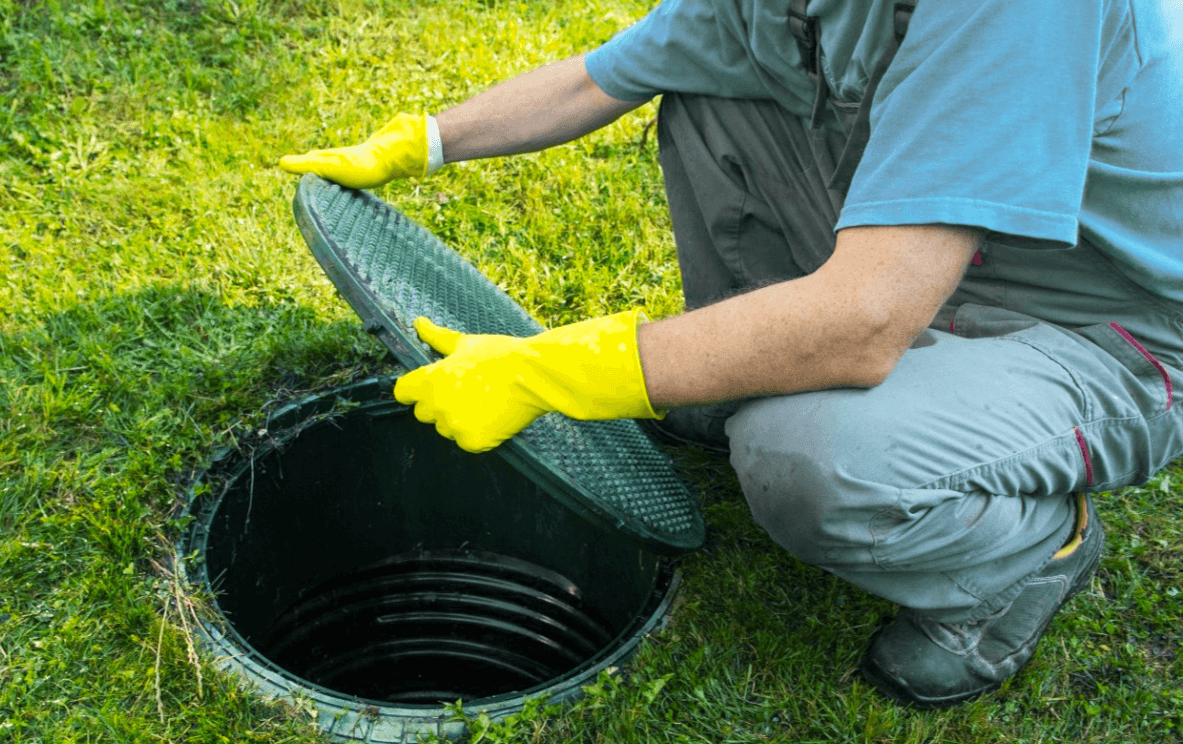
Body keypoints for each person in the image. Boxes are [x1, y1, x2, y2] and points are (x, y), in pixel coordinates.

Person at [279, 0, 1183, 707]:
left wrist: (555, 369)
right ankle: (734, 383)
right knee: (715, 94)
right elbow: (607, 76)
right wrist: (421, 141)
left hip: (1099, 327)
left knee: (813, 456)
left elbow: (868, 317)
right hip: (940, 252)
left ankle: (1027, 557)